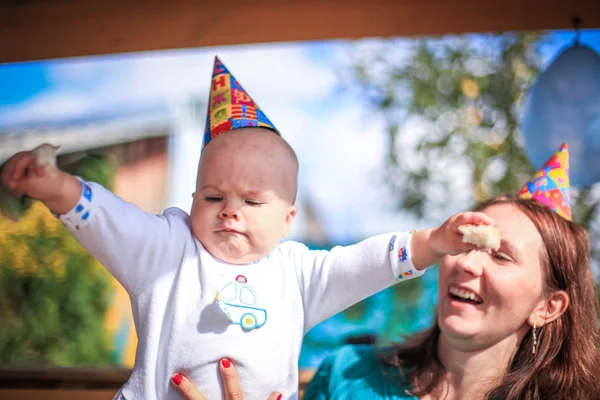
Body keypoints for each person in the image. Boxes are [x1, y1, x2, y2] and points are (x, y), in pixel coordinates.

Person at [0, 56, 496, 400]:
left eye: (252, 200)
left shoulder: (297, 274)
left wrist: (432, 242)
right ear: (191, 201)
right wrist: (57, 187)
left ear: (288, 220)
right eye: (212, 197)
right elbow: (113, 220)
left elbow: (362, 264)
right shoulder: (168, 250)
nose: (229, 210)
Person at [300, 143, 600, 400]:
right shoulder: (347, 375)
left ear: (547, 307)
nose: (467, 263)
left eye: (501, 256)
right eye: (467, 243)